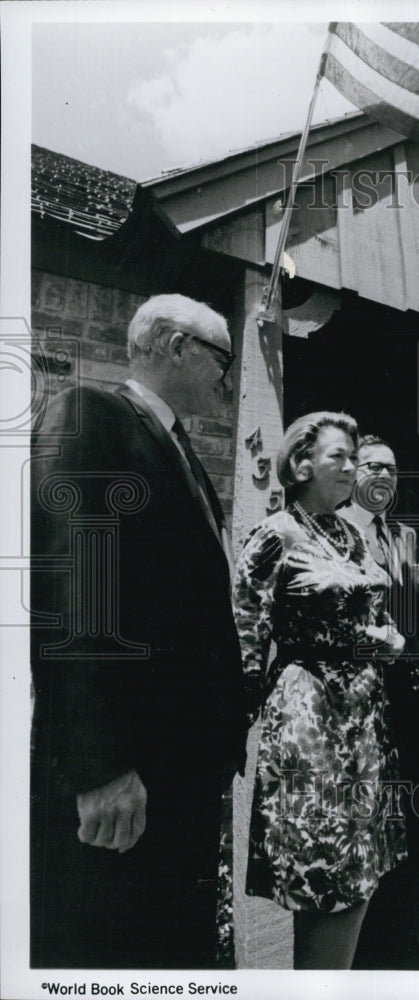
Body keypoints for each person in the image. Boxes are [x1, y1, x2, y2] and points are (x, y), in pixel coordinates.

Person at [30, 293, 248, 968]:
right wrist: (101, 765)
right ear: (176, 346)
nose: (230, 377)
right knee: (107, 945)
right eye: (222, 357)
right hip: (127, 779)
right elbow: (76, 596)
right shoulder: (91, 417)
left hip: (179, 771)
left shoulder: (176, 447)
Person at [232, 412, 406, 970]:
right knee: (328, 878)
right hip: (314, 724)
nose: (354, 467)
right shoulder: (277, 535)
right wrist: (234, 726)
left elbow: (365, 610)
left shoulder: (349, 534)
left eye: (357, 457)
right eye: (341, 457)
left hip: (364, 721)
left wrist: (386, 639)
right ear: (302, 464)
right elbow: (245, 633)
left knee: (359, 875)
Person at [341, 434, 419, 971]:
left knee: (412, 818)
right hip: (357, 702)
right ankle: (361, 955)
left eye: (393, 469)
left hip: (410, 702)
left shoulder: (408, 537)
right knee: (365, 822)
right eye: (374, 465)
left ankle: (400, 943)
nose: (385, 476)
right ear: (352, 471)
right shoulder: (331, 532)